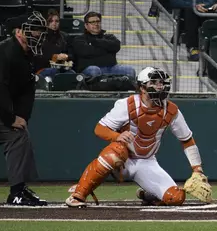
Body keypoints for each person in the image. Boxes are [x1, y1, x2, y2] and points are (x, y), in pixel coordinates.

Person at [65, 67, 208, 207]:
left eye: (161, 82)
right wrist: (117, 136)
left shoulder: (171, 110)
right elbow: (99, 129)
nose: (159, 86)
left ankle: (148, 195)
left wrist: (197, 169)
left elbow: (187, 140)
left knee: (176, 198)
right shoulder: (127, 105)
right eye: (154, 82)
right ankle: (79, 193)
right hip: (123, 160)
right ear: (142, 87)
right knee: (115, 151)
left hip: (146, 161)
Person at [0, 12, 49, 206]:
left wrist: (22, 116)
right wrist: (11, 118)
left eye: (39, 30)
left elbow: (27, 90)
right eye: (33, 30)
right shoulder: (2, 50)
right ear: (19, 32)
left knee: (17, 137)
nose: (37, 34)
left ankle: (18, 191)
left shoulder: (28, 55)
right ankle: (18, 191)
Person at [71, 12, 137, 78]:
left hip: (112, 67)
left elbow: (116, 46)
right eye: (92, 22)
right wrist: (107, 49)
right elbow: (85, 52)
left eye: (98, 21)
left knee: (129, 70)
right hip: (89, 68)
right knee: (94, 70)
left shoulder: (109, 37)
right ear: (86, 25)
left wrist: (96, 43)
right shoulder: (79, 39)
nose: (96, 24)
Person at [34, 9, 72, 78]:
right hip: (43, 69)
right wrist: (55, 57)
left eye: (56, 21)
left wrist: (67, 56)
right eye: (51, 21)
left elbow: (72, 55)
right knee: (54, 71)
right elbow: (39, 58)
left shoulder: (65, 36)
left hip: (61, 68)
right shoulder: (40, 37)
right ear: (46, 22)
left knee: (72, 73)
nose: (54, 24)